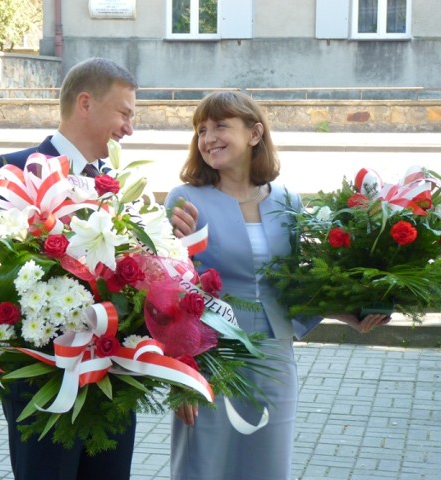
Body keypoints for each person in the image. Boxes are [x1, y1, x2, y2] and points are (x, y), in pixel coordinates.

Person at [0, 57, 196, 480]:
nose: (129, 128)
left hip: (115, 378)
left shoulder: (119, 185)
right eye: (124, 113)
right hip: (43, 379)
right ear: (85, 103)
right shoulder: (10, 171)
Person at [165, 91, 390, 480]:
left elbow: (293, 285)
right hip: (212, 359)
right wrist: (179, 373)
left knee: (266, 467)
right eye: (201, 130)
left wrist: (352, 313)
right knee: (203, 467)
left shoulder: (287, 200)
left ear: (254, 134)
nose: (208, 138)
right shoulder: (186, 199)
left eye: (220, 126)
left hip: (272, 357)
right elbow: (169, 289)